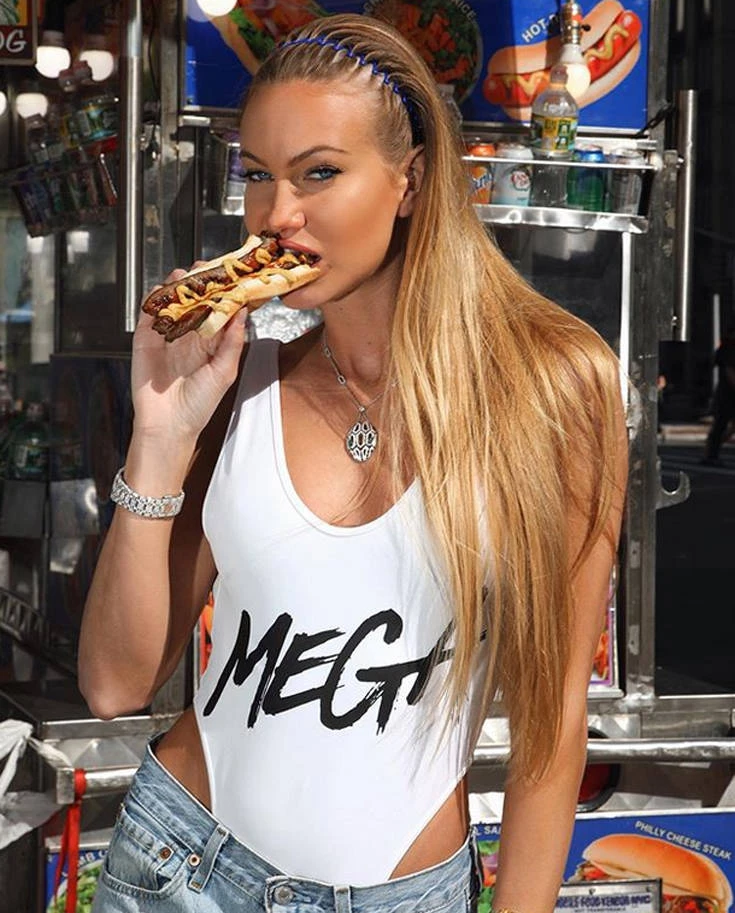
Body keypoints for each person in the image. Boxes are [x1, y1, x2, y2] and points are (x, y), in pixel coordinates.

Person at [79, 14, 628, 913]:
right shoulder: (238, 379)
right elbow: (113, 682)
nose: (276, 215)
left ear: (410, 182)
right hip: (177, 870)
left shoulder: (557, 387)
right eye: (257, 173)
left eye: (318, 173)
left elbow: (553, 720)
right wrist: (160, 437)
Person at [702, 329, 735, 465]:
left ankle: (711, 450)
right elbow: (729, 371)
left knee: (723, 426)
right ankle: (710, 453)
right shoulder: (728, 348)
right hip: (727, 394)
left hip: (726, 393)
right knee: (721, 424)